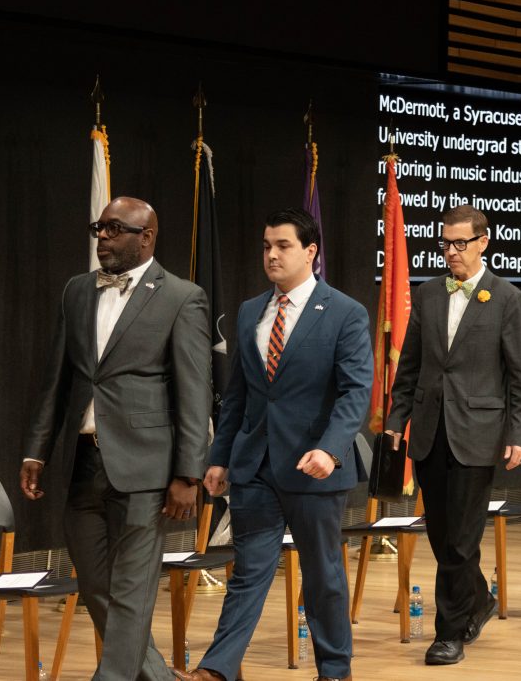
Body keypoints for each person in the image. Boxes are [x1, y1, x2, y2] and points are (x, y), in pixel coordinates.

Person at [21, 197, 212, 681]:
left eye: (114, 229)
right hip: (83, 462)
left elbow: (194, 392)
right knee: (96, 585)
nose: (102, 237)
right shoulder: (77, 291)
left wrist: (188, 473)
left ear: (146, 236)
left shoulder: (181, 297)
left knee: (132, 587)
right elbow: (57, 380)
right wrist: (35, 450)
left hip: (147, 468)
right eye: (98, 228)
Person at [178, 208, 372, 681]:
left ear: (310, 251)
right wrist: (219, 457)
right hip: (255, 467)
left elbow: (355, 391)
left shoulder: (345, 312)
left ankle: (334, 670)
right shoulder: (250, 312)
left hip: (313, 467)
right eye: (266, 246)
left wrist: (330, 449)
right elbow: (239, 395)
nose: (271, 254)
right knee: (248, 573)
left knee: (323, 576)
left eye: (283, 246)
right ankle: (218, 671)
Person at [385, 204, 521, 666]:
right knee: (441, 534)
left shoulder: (506, 298)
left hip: (479, 432)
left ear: (483, 242)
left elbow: (520, 376)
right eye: (445, 243)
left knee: (461, 540)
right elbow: (409, 366)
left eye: (460, 243)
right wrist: (395, 420)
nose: (451, 252)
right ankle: (479, 598)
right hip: (430, 431)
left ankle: (448, 633)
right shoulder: (429, 295)